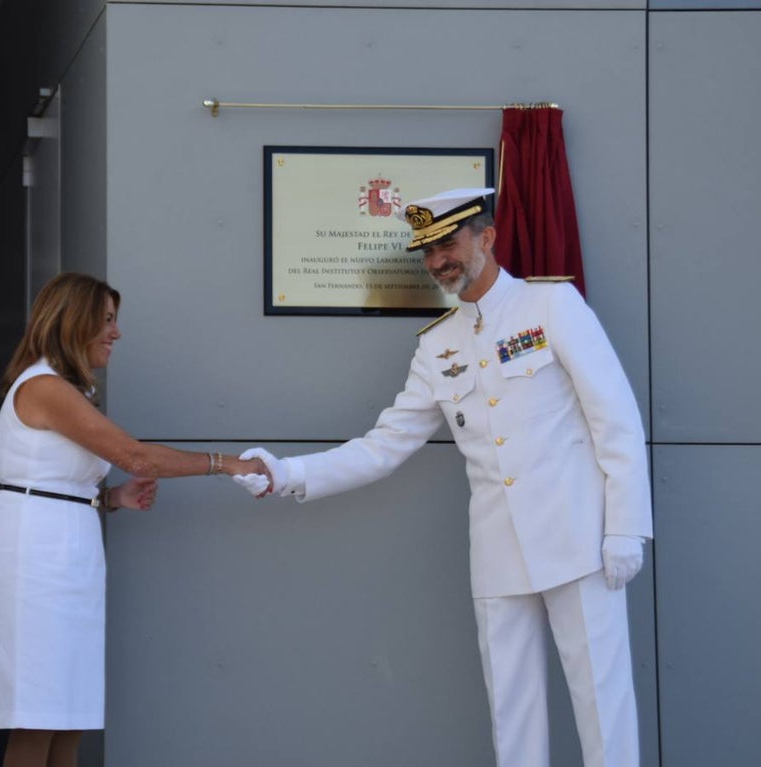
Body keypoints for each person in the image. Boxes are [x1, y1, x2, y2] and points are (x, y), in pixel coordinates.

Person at [237, 188, 653, 767]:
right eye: (426, 252)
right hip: (498, 551)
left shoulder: (552, 306)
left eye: (447, 244)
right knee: (513, 714)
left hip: (580, 540)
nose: (437, 262)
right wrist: (286, 474)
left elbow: (617, 420)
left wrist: (626, 527)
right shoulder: (437, 347)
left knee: (602, 708)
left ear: (486, 236)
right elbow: (384, 446)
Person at [0, 272, 268, 767]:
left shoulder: (64, 389)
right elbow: (137, 456)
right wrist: (227, 462)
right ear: (75, 321)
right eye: (106, 320)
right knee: (38, 716)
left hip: (66, 555)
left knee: (69, 717)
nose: (116, 332)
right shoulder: (44, 386)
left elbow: (58, 482)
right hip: (35, 563)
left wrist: (113, 500)